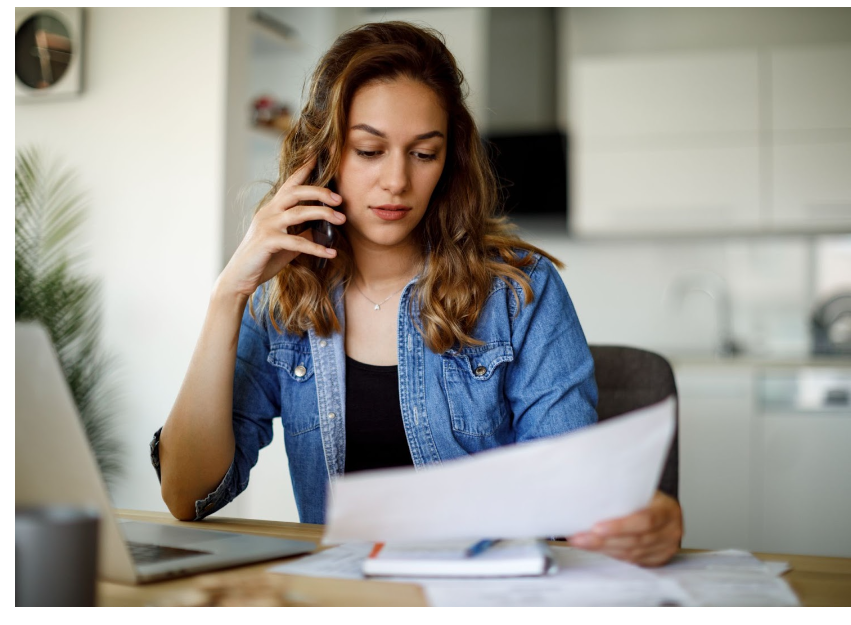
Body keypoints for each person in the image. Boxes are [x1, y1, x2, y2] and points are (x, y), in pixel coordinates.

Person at [153, 21, 682, 567]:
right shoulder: (281, 300)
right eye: (369, 150)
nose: (397, 181)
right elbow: (187, 496)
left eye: (423, 154)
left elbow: (574, 500)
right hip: (340, 599)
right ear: (324, 156)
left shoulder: (518, 292)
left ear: (448, 161)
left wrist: (649, 516)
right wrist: (228, 294)